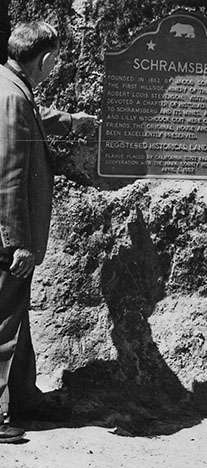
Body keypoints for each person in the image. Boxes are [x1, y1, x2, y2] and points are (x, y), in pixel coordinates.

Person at [0, 21, 97, 443]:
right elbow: (8, 176)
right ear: (46, 58)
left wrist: (71, 120)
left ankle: (23, 397)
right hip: (8, 239)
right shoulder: (11, 95)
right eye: (55, 60)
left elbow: (29, 123)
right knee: (3, 323)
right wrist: (17, 241)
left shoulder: (11, 85)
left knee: (15, 317)